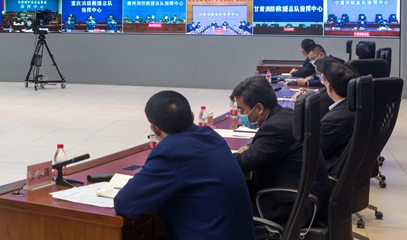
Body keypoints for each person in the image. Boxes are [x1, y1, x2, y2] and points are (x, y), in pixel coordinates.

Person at [114, 91, 256, 240]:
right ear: (192, 116)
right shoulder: (211, 136)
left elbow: (126, 204)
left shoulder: (170, 151)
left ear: (155, 129)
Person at [231, 76, 330, 226]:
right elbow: (266, 148)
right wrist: (251, 148)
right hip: (302, 196)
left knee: (225, 205)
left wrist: (229, 156)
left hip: (292, 207)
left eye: (242, 109)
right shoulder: (285, 115)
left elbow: (243, 163)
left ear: (259, 108)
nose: (240, 114)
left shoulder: (275, 128)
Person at [317, 61, 359, 172]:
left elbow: (314, 153)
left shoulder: (334, 120)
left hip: (325, 173)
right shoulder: (360, 107)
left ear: (329, 86)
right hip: (352, 170)